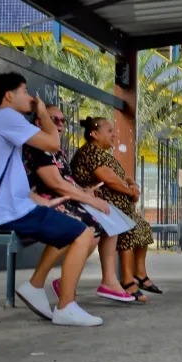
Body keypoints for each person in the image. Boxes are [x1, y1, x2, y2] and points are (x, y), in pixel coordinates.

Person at [0, 73, 102, 327]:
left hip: (6, 207)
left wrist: (39, 202)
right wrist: (42, 111)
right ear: (9, 95)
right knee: (83, 232)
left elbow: (6, 177)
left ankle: (35, 286)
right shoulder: (7, 117)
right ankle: (66, 307)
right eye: (25, 91)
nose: (30, 98)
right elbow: (53, 143)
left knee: (67, 225)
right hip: (8, 212)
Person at [23, 105, 146, 304]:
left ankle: (108, 281)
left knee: (106, 218)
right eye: (54, 119)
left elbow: (67, 182)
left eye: (63, 121)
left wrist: (85, 192)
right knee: (90, 225)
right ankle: (46, 287)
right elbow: (56, 184)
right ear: (39, 121)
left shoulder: (56, 150)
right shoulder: (39, 146)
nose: (60, 124)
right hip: (46, 200)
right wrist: (89, 198)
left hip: (65, 197)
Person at [70, 117, 161, 299]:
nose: (114, 134)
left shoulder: (104, 154)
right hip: (100, 205)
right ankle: (127, 281)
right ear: (94, 134)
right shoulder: (90, 152)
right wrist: (130, 192)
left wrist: (132, 185)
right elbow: (109, 179)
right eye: (110, 131)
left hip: (115, 206)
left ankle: (140, 274)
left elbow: (122, 176)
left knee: (142, 227)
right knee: (128, 230)